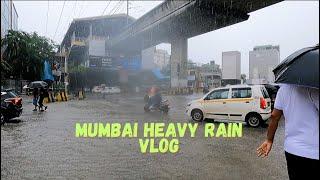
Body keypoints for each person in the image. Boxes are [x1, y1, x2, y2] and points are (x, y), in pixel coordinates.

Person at [257, 84, 319, 179]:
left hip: (291, 150)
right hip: (314, 151)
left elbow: (274, 116)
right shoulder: (314, 88)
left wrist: (269, 140)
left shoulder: (283, 89)